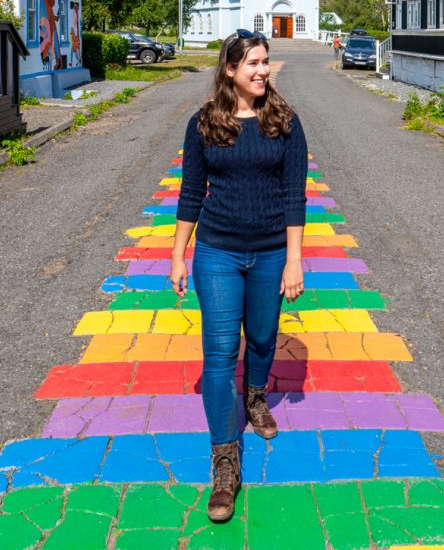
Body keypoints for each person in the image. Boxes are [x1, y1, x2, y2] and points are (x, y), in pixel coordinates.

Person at [170, 28, 307, 523]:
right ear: (229, 70)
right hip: (218, 253)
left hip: (271, 252)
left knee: (265, 338)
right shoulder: (204, 123)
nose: (262, 71)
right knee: (221, 352)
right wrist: (178, 254)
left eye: (265, 62)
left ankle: (255, 395)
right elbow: (190, 193)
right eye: (252, 63)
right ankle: (225, 459)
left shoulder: (285, 123)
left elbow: (295, 195)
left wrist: (294, 259)